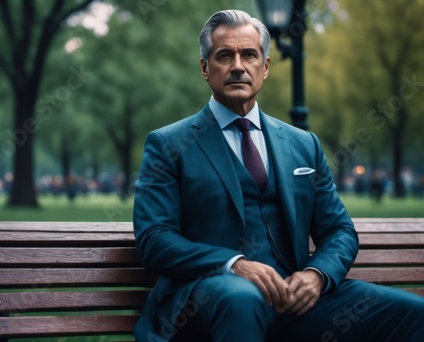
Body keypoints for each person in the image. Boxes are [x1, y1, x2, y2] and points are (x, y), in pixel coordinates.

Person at [133, 9, 424, 342]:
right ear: (205, 69)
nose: (238, 66)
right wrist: (234, 264)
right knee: (240, 298)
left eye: (249, 55)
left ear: (265, 67)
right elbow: (154, 239)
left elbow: (339, 230)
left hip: (293, 299)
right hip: (206, 300)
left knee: (412, 314)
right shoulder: (168, 144)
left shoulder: (303, 145)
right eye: (225, 55)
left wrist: (317, 275)